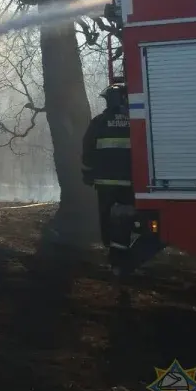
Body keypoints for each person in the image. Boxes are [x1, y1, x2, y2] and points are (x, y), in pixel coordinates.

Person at [81, 82, 134, 269]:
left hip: (105, 184)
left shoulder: (99, 122)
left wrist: (87, 174)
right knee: (127, 217)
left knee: (106, 218)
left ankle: (112, 254)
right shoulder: (136, 120)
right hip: (130, 183)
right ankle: (122, 253)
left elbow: (87, 150)